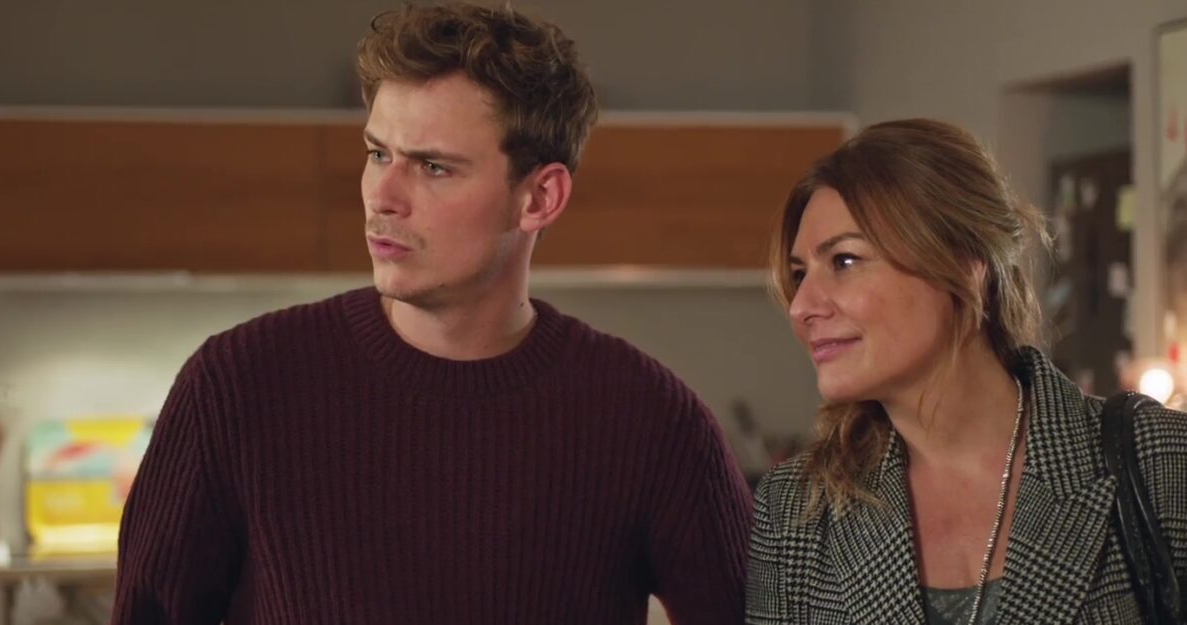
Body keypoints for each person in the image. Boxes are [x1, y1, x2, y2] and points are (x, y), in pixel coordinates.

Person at [111, 3, 751, 624]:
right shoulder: (236, 386)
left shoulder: (651, 420)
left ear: (540, 197)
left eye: (434, 167)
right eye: (378, 154)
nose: (382, 196)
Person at [745, 118, 1187, 624]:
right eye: (800, 274)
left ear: (964, 267)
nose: (801, 306)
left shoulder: (1161, 462)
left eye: (844, 261)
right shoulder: (795, 512)